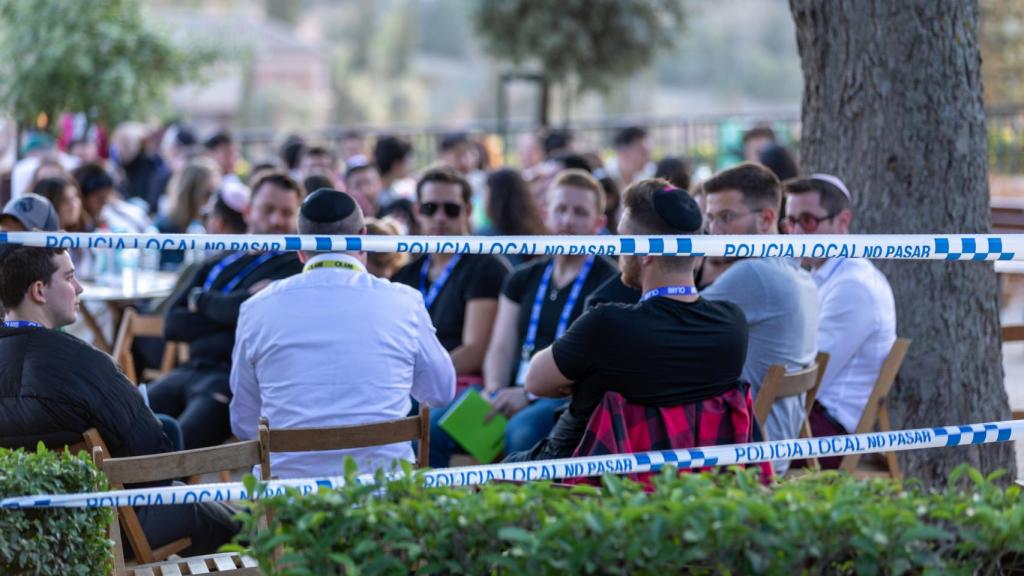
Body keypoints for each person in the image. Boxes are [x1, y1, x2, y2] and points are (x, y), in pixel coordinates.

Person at [0, 246, 238, 555]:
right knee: (243, 524)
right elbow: (153, 458)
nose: (80, 287)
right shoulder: (82, 362)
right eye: (70, 277)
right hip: (102, 531)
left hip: (16, 535)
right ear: (39, 291)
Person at [510, 179, 749, 462]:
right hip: (688, 480)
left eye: (623, 239)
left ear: (647, 252)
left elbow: (535, 381)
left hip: (579, 478)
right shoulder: (733, 324)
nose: (619, 250)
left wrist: (581, 379)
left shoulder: (608, 324)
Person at [230, 189, 455, 478]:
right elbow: (441, 392)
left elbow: (244, 423)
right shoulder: (404, 302)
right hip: (385, 499)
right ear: (362, 237)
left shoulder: (256, 308)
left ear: (300, 248)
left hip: (287, 501)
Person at [147, 172, 305, 449]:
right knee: (122, 422)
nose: (277, 220)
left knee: (174, 448)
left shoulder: (294, 267)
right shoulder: (220, 260)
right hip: (189, 370)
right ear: (248, 210)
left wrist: (203, 302)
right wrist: (238, 307)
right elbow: (172, 324)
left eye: (286, 212)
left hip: (233, 383)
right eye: (268, 210)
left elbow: (251, 316)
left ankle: (162, 492)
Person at [477, 170, 618, 459]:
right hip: (513, 389)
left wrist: (528, 395)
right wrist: (493, 390)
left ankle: (521, 504)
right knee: (441, 424)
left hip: (563, 398)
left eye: (580, 212)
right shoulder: (522, 277)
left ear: (598, 223)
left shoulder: (610, 281)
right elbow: (501, 347)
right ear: (545, 214)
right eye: (561, 210)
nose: (568, 220)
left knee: (521, 431)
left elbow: (591, 367)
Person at [700, 162, 819, 474]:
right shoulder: (795, 269)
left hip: (746, 460)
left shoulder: (755, 272)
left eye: (725, 218)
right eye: (709, 219)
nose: (713, 231)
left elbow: (672, 323)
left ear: (767, 218)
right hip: (777, 448)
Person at [784, 174, 896, 467]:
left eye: (807, 221)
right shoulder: (828, 275)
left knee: (723, 433)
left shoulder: (853, 286)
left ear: (842, 221)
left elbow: (809, 378)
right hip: (812, 420)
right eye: (790, 222)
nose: (796, 233)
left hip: (827, 431)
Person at [391, 166, 510, 429]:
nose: (440, 217)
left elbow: (475, 351)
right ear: (417, 212)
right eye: (430, 208)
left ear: (468, 211)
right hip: (413, 384)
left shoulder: (485, 266)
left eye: (451, 209)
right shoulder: (406, 273)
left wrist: (415, 380)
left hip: (468, 386)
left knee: (422, 424)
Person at [156, 158, 222, 270]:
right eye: (208, 194)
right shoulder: (163, 228)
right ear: (189, 194)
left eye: (217, 195)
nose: (213, 202)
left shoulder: (217, 226)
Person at [478, 168, 548, 267]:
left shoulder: (484, 238)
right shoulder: (540, 232)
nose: (482, 201)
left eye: (485, 194)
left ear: (494, 198)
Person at [373, 135, 414, 210]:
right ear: (396, 165)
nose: (409, 166)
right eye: (407, 161)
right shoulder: (378, 197)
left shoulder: (393, 189)